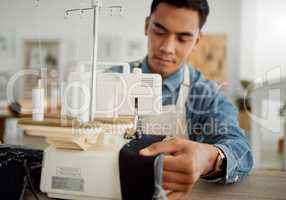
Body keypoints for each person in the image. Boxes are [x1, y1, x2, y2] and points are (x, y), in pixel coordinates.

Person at [128, 0, 254, 199]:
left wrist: (209, 159)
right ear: (146, 26)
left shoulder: (208, 95)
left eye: (183, 38)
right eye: (159, 31)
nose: (167, 48)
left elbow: (240, 150)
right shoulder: (111, 80)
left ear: (197, 40)